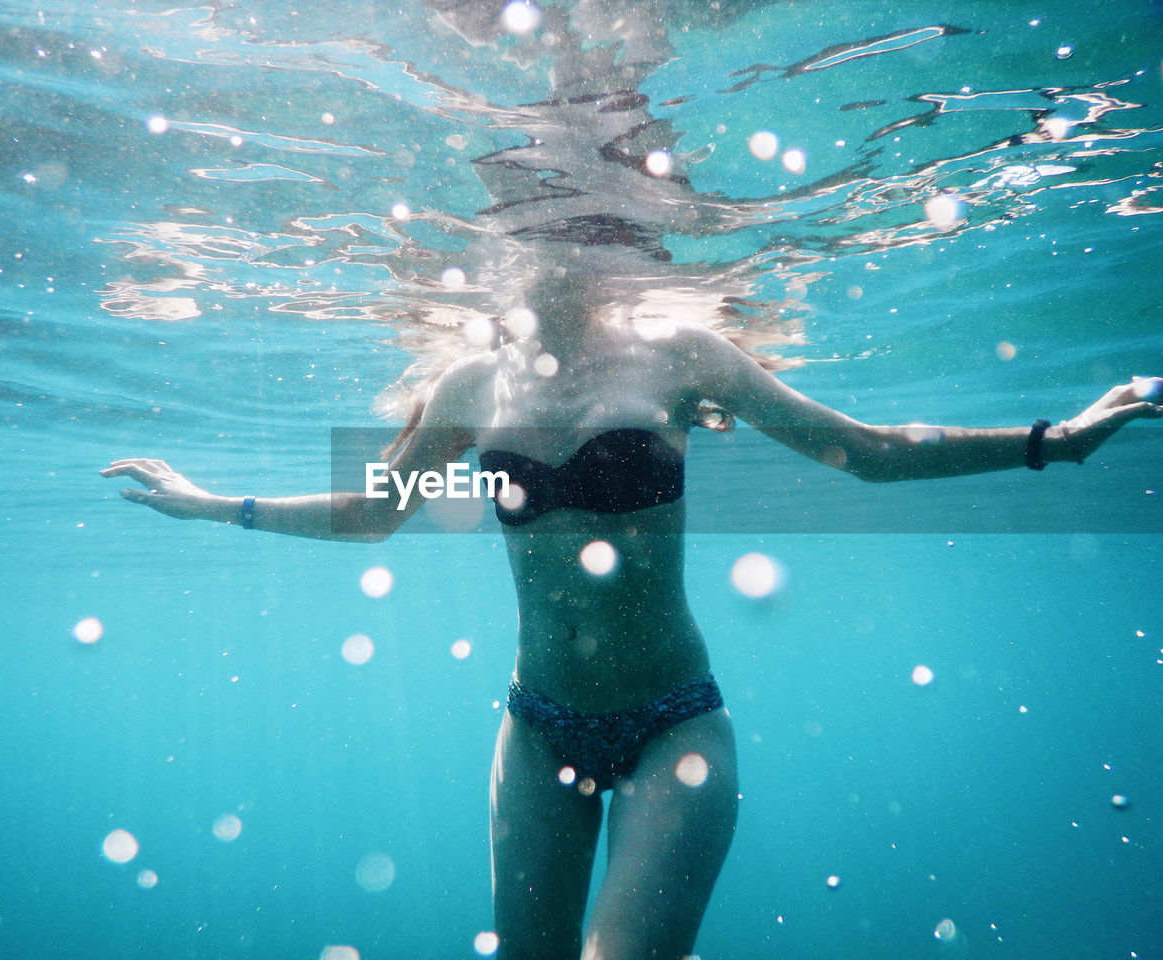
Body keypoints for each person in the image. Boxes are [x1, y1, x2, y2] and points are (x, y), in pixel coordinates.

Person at [102, 261, 1162, 959]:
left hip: (672, 729)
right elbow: (372, 513)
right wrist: (216, 506)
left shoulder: (683, 356)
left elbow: (866, 454)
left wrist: (1052, 442)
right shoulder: (471, 386)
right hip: (534, 727)